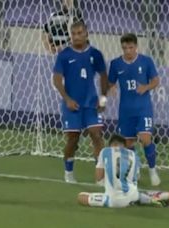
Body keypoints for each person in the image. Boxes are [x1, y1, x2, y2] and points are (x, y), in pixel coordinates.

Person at [53, 21, 108, 183]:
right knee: (73, 138)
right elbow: (56, 80)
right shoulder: (64, 55)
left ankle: (100, 177)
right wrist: (67, 99)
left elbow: (104, 76)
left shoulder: (95, 54)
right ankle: (69, 173)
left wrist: (103, 98)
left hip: (91, 104)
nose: (76, 36)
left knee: (97, 135)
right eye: (73, 33)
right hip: (72, 106)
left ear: (86, 34)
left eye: (79, 33)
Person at [108, 33, 161, 186]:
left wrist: (146, 87)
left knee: (145, 139)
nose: (128, 51)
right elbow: (111, 82)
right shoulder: (116, 64)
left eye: (131, 48)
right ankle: (135, 168)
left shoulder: (146, 61)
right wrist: (111, 88)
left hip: (143, 108)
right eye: (125, 48)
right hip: (125, 110)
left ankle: (152, 170)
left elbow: (156, 80)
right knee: (128, 142)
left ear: (136, 47)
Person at [77, 134, 169, 208]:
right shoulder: (134, 155)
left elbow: (98, 178)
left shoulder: (106, 151)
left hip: (115, 200)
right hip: (133, 193)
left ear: (111, 144)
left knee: (81, 196)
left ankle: (138, 199)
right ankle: (148, 199)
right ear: (124, 146)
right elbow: (137, 177)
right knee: (134, 193)